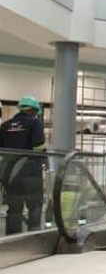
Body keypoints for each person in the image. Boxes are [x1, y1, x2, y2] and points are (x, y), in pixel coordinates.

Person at [0, 96, 46, 235]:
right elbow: (39, 146)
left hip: (11, 174)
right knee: (35, 206)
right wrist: (44, 159)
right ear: (33, 110)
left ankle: (13, 239)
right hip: (31, 172)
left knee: (14, 209)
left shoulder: (5, 125)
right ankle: (34, 237)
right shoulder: (35, 123)